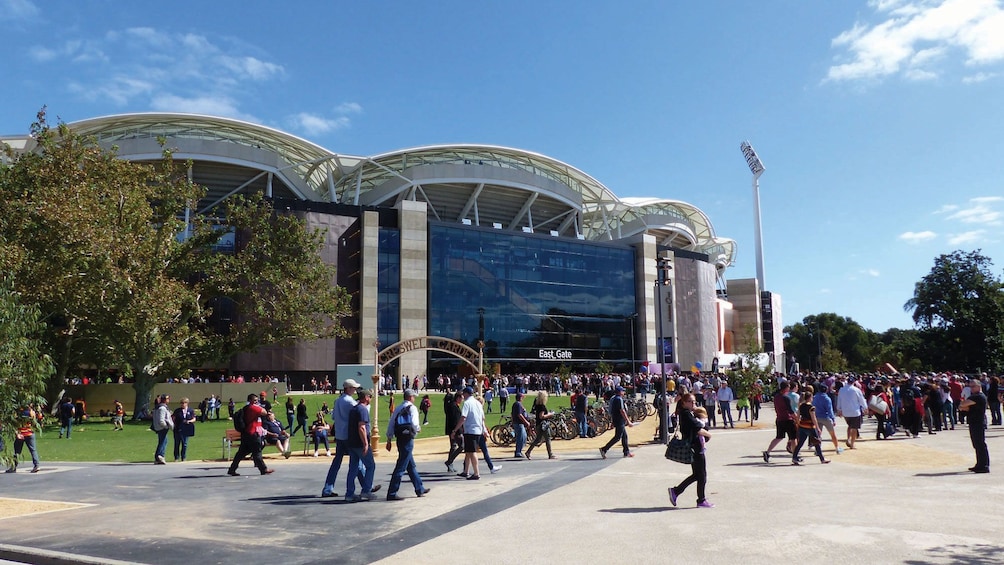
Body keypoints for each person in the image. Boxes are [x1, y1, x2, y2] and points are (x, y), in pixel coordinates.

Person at [321, 379, 376, 497]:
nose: (355, 390)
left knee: (338, 463)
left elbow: (334, 417)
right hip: (349, 435)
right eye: (354, 388)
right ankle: (367, 487)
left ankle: (328, 488)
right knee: (357, 463)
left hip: (339, 435)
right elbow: (362, 413)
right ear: (348, 388)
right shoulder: (350, 402)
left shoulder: (338, 400)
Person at [668, 393, 714, 508]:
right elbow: (698, 428)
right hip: (695, 447)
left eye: (694, 401)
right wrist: (709, 434)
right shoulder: (686, 414)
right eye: (690, 401)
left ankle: (677, 491)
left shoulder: (689, 413)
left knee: (697, 474)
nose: (693, 403)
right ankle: (701, 500)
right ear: (684, 402)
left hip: (696, 447)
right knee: (702, 475)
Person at [385, 389, 429, 500]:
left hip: (400, 437)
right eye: (413, 397)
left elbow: (391, 423)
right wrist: (417, 430)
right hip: (408, 438)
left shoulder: (399, 408)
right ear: (410, 397)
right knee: (401, 466)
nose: (414, 398)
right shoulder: (412, 408)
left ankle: (419, 488)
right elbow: (414, 423)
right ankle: (392, 492)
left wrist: (389, 439)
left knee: (410, 465)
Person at [227, 394, 274, 476]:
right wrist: (260, 407)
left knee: (241, 453)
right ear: (250, 400)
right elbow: (264, 412)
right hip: (253, 434)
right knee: (257, 452)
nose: (257, 401)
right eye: (255, 400)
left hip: (247, 433)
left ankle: (232, 469)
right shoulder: (252, 407)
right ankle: (263, 469)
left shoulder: (247, 408)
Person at [345, 389, 377, 502]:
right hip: (359, 443)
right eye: (370, 397)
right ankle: (366, 490)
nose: (371, 399)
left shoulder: (353, 409)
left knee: (353, 468)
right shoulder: (362, 410)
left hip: (351, 442)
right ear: (366, 397)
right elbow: (362, 427)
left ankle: (349, 493)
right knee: (370, 466)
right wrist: (366, 443)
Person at [452, 386, 486, 480]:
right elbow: (483, 417)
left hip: (470, 430)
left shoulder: (467, 403)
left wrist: (455, 430)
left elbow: (463, 417)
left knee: (472, 452)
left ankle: (476, 473)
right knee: (468, 451)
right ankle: (466, 471)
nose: (462, 395)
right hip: (477, 429)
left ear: (466, 393)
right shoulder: (478, 403)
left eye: (463, 393)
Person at [959, 379, 990, 473]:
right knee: (976, 444)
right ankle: (980, 464)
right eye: (970, 386)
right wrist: (963, 406)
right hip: (974, 422)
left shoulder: (978, 396)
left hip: (978, 422)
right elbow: (964, 407)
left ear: (979, 386)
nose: (971, 388)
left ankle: (984, 465)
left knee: (980, 444)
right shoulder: (974, 397)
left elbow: (963, 405)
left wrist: (962, 406)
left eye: (973, 386)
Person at [792, 392, 830, 465]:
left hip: (802, 425)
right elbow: (813, 418)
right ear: (810, 398)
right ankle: (822, 458)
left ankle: (794, 457)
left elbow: (798, 416)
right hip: (810, 426)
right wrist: (818, 428)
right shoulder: (811, 407)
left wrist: (798, 424)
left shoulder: (801, 405)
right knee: (816, 442)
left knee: (800, 443)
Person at [762, 381, 796, 462]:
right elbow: (790, 411)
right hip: (788, 420)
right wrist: (796, 418)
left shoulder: (776, 397)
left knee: (779, 437)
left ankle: (767, 452)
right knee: (793, 438)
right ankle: (795, 456)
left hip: (779, 419)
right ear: (786, 388)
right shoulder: (786, 398)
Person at [599, 386, 634, 459]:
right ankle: (604, 449)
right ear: (620, 392)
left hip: (616, 419)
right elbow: (622, 410)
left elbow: (611, 410)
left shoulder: (613, 398)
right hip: (619, 419)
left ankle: (626, 452)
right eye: (623, 391)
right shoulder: (619, 399)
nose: (624, 392)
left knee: (624, 436)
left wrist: (612, 421)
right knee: (618, 437)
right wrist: (628, 421)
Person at [5, 405, 40, 473]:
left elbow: (14, 424)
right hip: (30, 433)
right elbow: (35, 422)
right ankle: (36, 465)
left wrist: (17, 433)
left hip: (21, 434)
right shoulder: (31, 412)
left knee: (17, 451)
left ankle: (13, 467)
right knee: (33, 450)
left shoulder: (18, 413)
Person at [836, 377, 868, 449]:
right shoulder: (856, 390)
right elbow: (861, 400)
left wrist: (839, 409)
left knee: (849, 425)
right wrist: (865, 408)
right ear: (854, 382)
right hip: (855, 411)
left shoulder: (842, 390)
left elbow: (839, 400)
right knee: (854, 428)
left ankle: (848, 439)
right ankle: (852, 444)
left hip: (845, 411)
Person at [525, 391, 557, 460]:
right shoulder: (542, 406)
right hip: (543, 425)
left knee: (537, 439)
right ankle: (550, 454)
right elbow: (541, 416)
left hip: (538, 424)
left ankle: (528, 452)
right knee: (548, 439)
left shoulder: (537, 405)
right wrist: (550, 414)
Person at [813, 384, 842, 453]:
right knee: (832, 434)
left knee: (818, 435)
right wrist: (833, 419)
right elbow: (830, 410)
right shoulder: (827, 398)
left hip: (817, 417)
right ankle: (837, 448)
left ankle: (817, 450)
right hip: (825, 417)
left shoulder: (815, 397)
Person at [172, 397, 197, 462]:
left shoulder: (190, 410)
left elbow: (194, 419)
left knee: (185, 443)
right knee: (177, 444)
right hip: (178, 429)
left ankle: (184, 457)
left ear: (187, 403)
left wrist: (189, 421)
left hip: (186, 429)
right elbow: (173, 419)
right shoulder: (177, 411)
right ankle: (176, 457)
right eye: (182, 403)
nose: (183, 404)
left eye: (184, 403)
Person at [444, 392, 463, 472]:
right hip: (455, 430)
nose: (462, 400)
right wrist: (456, 431)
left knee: (453, 446)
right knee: (462, 446)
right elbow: (455, 421)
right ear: (458, 398)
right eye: (461, 398)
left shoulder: (451, 406)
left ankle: (450, 464)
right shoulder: (454, 407)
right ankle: (449, 461)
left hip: (451, 429)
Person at [152, 394, 174, 465]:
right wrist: (165, 426)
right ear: (164, 400)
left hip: (159, 427)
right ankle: (160, 455)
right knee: (163, 442)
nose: (169, 400)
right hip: (162, 428)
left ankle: (158, 457)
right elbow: (161, 420)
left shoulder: (159, 407)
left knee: (163, 441)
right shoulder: (162, 408)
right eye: (167, 399)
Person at [511, 392, 531, 458]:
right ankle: (518, 452)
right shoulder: (518, 404)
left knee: (524, 437)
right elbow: (519, 415)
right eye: (522, 397)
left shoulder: (516, 404)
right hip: (519, 423)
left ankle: (519, 451)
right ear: (520, 398)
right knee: (521, 438)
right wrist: (526, 422)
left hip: (519, 423)